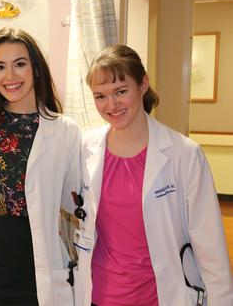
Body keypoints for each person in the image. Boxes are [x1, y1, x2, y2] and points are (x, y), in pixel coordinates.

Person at [74, 44, 233, 305]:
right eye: (100, 96)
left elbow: (211, 247)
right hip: (98, 296)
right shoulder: (85, 148)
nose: (111, 105)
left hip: (160, 296)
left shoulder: (184, 154)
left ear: (143, 84)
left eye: (121, 91)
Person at [0, 27, 81, 306]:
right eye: (0, 67)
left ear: (35, 68)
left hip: (36, 267)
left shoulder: (64, 132)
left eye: (19, 64)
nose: (9, 76)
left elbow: (77, 204)